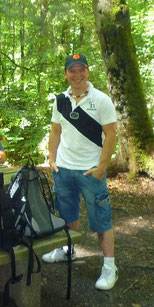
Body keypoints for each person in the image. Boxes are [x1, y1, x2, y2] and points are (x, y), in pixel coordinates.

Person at [42, 53, 118, 291]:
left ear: (87, 71)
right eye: (72, 70)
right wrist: (51, 159)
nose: (77, 75)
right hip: (64, 169)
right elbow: (55, 131)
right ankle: (68, 250)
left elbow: (111, 135)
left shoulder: (101, 100)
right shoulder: (60, 100)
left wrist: (102, 167)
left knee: (101, 219)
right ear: (65, 74)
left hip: (90, 171)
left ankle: (110, 267)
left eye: (81, 70)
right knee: (66, 214)